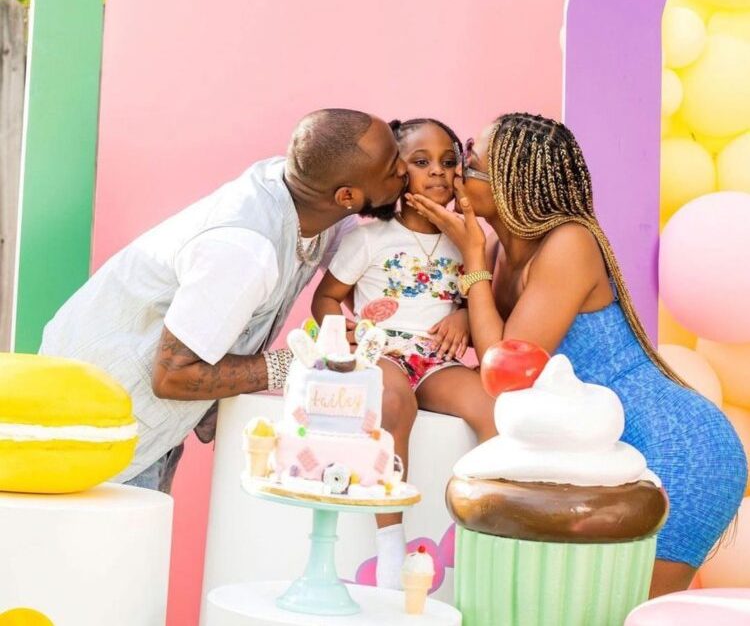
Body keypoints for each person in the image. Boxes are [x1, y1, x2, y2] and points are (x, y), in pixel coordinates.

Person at [406, 112, 748, 598]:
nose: (457, 172)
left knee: (628, 611)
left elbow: (506, 374)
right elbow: (495, 345)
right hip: (599, 448)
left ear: (509, 180)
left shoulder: (569, 242)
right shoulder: (504, 252)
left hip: (676, 447)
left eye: (470, 160)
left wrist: (472, 260)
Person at [39, 109, 408, 493]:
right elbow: (172, 375)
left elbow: (371, 278)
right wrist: (294, 364)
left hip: (136, 422)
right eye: (393, 166)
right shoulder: (245, 249)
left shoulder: (312, 198)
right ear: (346, 196)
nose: (404, 170)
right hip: (92, 423)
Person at [312, 118, 496, 589]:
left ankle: (487, 531)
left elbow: (473, 299)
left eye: (449, 161)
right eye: (420, 161)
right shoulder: (369, 238)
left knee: (493, 407)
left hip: (438, 359)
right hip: (384, 351)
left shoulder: (467, 239)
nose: (437, 171)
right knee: (394, 402)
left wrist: (461, 316)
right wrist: (344, 333)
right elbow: (326, 297)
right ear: (396, 172)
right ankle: (391, 543)